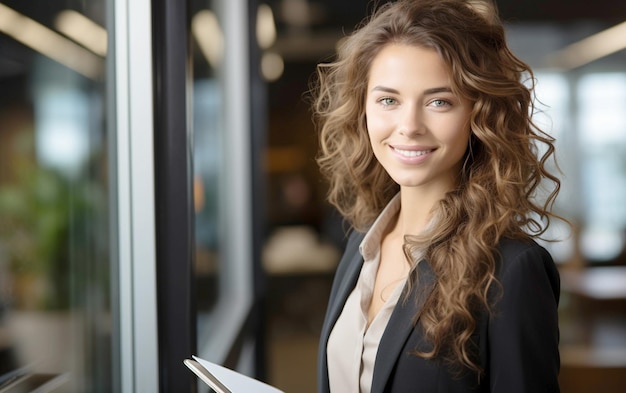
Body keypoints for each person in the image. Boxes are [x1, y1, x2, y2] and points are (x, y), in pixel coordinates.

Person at [310, 0, 563, 392]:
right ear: (363, 109)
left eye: (439, 102)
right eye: (388, 100)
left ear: (478, 114)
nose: (409, 126)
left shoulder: (512, 269)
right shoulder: (361, 245)